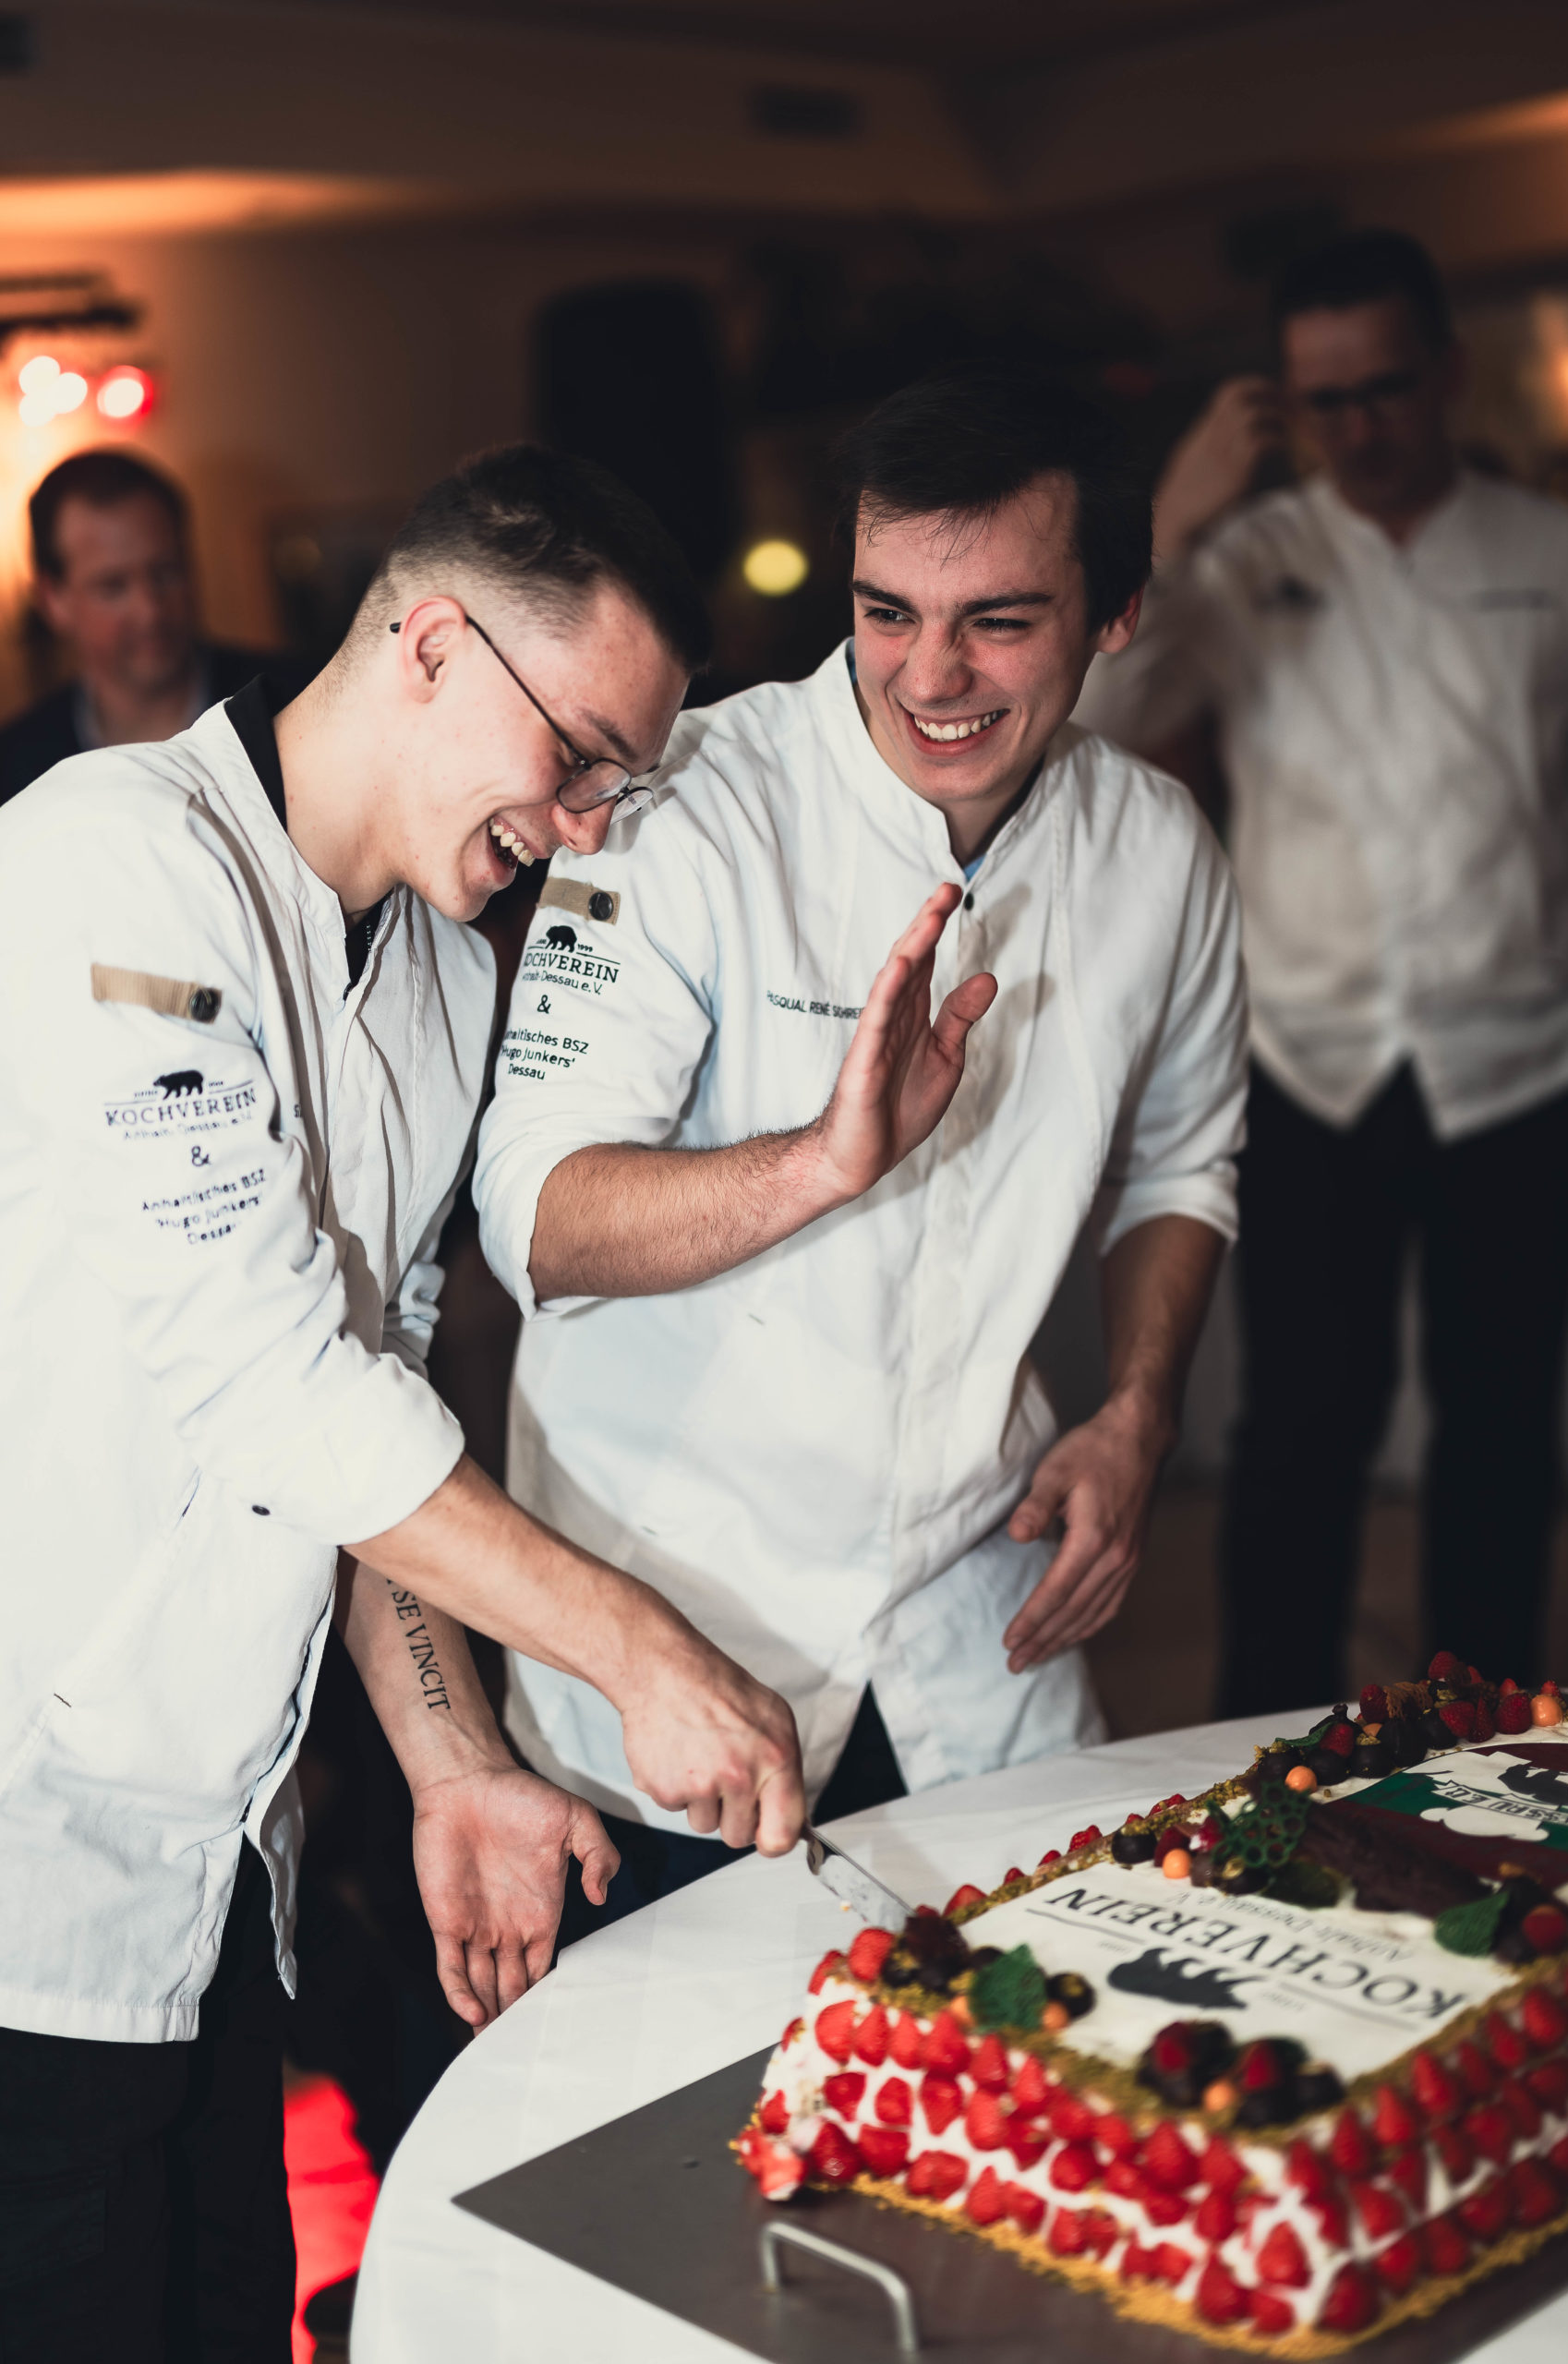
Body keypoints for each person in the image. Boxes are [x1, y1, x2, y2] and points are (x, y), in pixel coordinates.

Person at [0, 446, 814, 2363]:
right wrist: (631, 1645)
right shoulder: (106, 855)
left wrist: (451, 1766)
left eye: (629, 781)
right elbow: (268, 1381)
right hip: (27, 1859)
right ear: (432, 640)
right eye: (584, 757)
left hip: (224, 1871)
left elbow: (365, 1431)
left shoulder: (448, 983)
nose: (596, 824)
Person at [473, 365, 1248, 1935]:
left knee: (1023, 2082)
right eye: (885, 611)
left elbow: (1182, 1163)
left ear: (1114, 613)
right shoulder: (682, 804)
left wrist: (1139, 1412)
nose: (928, 674)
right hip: (676, 1626)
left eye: (998, 620)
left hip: (979, 1622)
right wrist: (817, 1164)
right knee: (690, 2142)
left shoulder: (1156, 848)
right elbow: (532, 1219)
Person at [1075, 229, 1568, 1714]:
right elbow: (1091, 729)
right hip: (1307, 1068)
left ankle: (1483, 1749)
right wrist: (1168, 516)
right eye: (1324, 400)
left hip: (1521, 1067)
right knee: (1299, 1434)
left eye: (1381, 390)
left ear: (1442, 373)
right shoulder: (1237, 563)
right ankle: (1266, 1747)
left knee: (1497, 1438)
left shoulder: (1550, 554)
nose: (1358, 427)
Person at [0, 448, 301, 806]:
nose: (151, 611)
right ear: (53, 600)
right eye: (113, 587)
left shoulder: (294, 704)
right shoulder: (15, 770)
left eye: (166, 572)